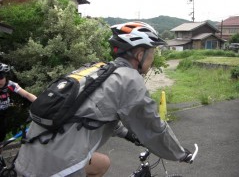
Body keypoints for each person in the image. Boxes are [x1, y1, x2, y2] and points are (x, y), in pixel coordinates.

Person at [15, 21, 194, 177]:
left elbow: (95, 111)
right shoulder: (129, 79)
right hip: (57, 168)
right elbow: (152, 127)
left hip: (31, 154)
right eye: (152, 53)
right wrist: (179, 153)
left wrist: (129, 134)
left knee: (102, 164)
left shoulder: (99, 70)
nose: (152, 59)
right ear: (140, 55)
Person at [0, 63, 37, 143]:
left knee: (1, 138)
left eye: (0, 77)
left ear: (6, 76)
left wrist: (42, 102)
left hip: (3, 115)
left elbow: (27, 95)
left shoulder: (11, 85)